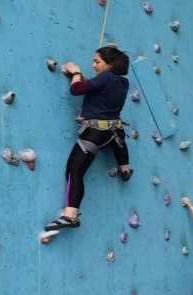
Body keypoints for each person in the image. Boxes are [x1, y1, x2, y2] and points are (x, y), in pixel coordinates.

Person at [42, 46, 133, 243]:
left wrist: (75, 73)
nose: (93, 65)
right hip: (114, 131)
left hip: (94, 134)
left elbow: (76, 90)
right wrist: (85, 77)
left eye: (97, 62)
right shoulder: (123, 82)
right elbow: (96, 88)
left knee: (74, 171)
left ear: (110, 65)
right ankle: (125, 169)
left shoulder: (105, 78)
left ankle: (70, 216)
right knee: (120, 143)